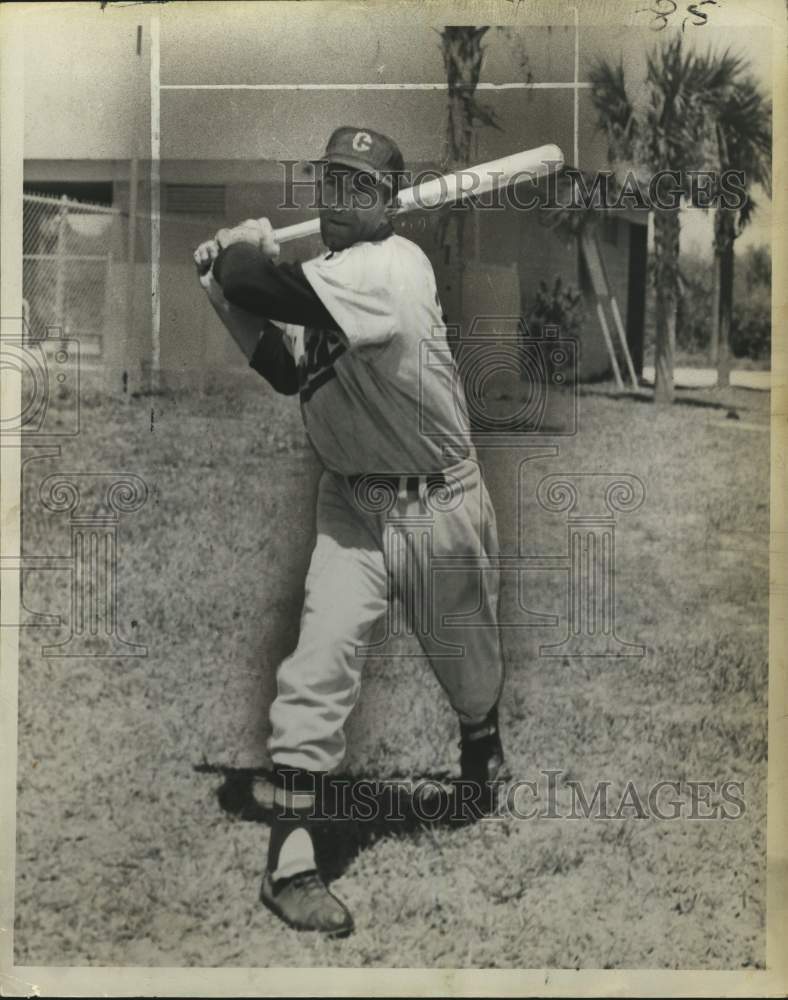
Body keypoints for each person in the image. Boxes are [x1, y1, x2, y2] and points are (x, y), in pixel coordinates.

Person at [193, 127, 505, 938]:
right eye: (331, 182)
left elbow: (261, 282)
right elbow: (286, 368)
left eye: (360, 186)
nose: (339, 198)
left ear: (388, 205)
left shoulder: (393, 269)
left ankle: (481, 745)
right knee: (319, 660)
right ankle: (290, 862)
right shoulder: (332, 271)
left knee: (470, 670)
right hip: (352, 504)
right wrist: (223, 290)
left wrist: (242, 255)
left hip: (438, 499)